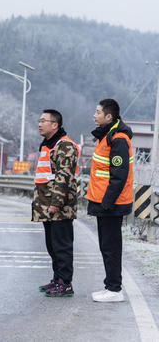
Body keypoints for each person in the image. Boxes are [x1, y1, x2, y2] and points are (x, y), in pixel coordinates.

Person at [86, 99, 133, 302]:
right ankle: (110, 286)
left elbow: (119, 175)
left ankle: (114, 289)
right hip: (103, 201)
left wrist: (106, 202)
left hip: (111, 203)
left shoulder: (119, 139)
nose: (94, 115)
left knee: (111, 246)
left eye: (97, 112)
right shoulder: (106, 136)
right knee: (106, 245)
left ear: (109, 117)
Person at [32, 109, 79, 297]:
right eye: (39, 120)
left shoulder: (65, 145)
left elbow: (63, 177)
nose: (39, 123)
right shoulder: (48, 145)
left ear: (55, 125)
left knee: (62, 246)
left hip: (59, 207)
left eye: (44, 121)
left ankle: (65, 283)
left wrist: (56, 204)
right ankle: (57, 279)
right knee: (52, 245)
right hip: (46, 205)